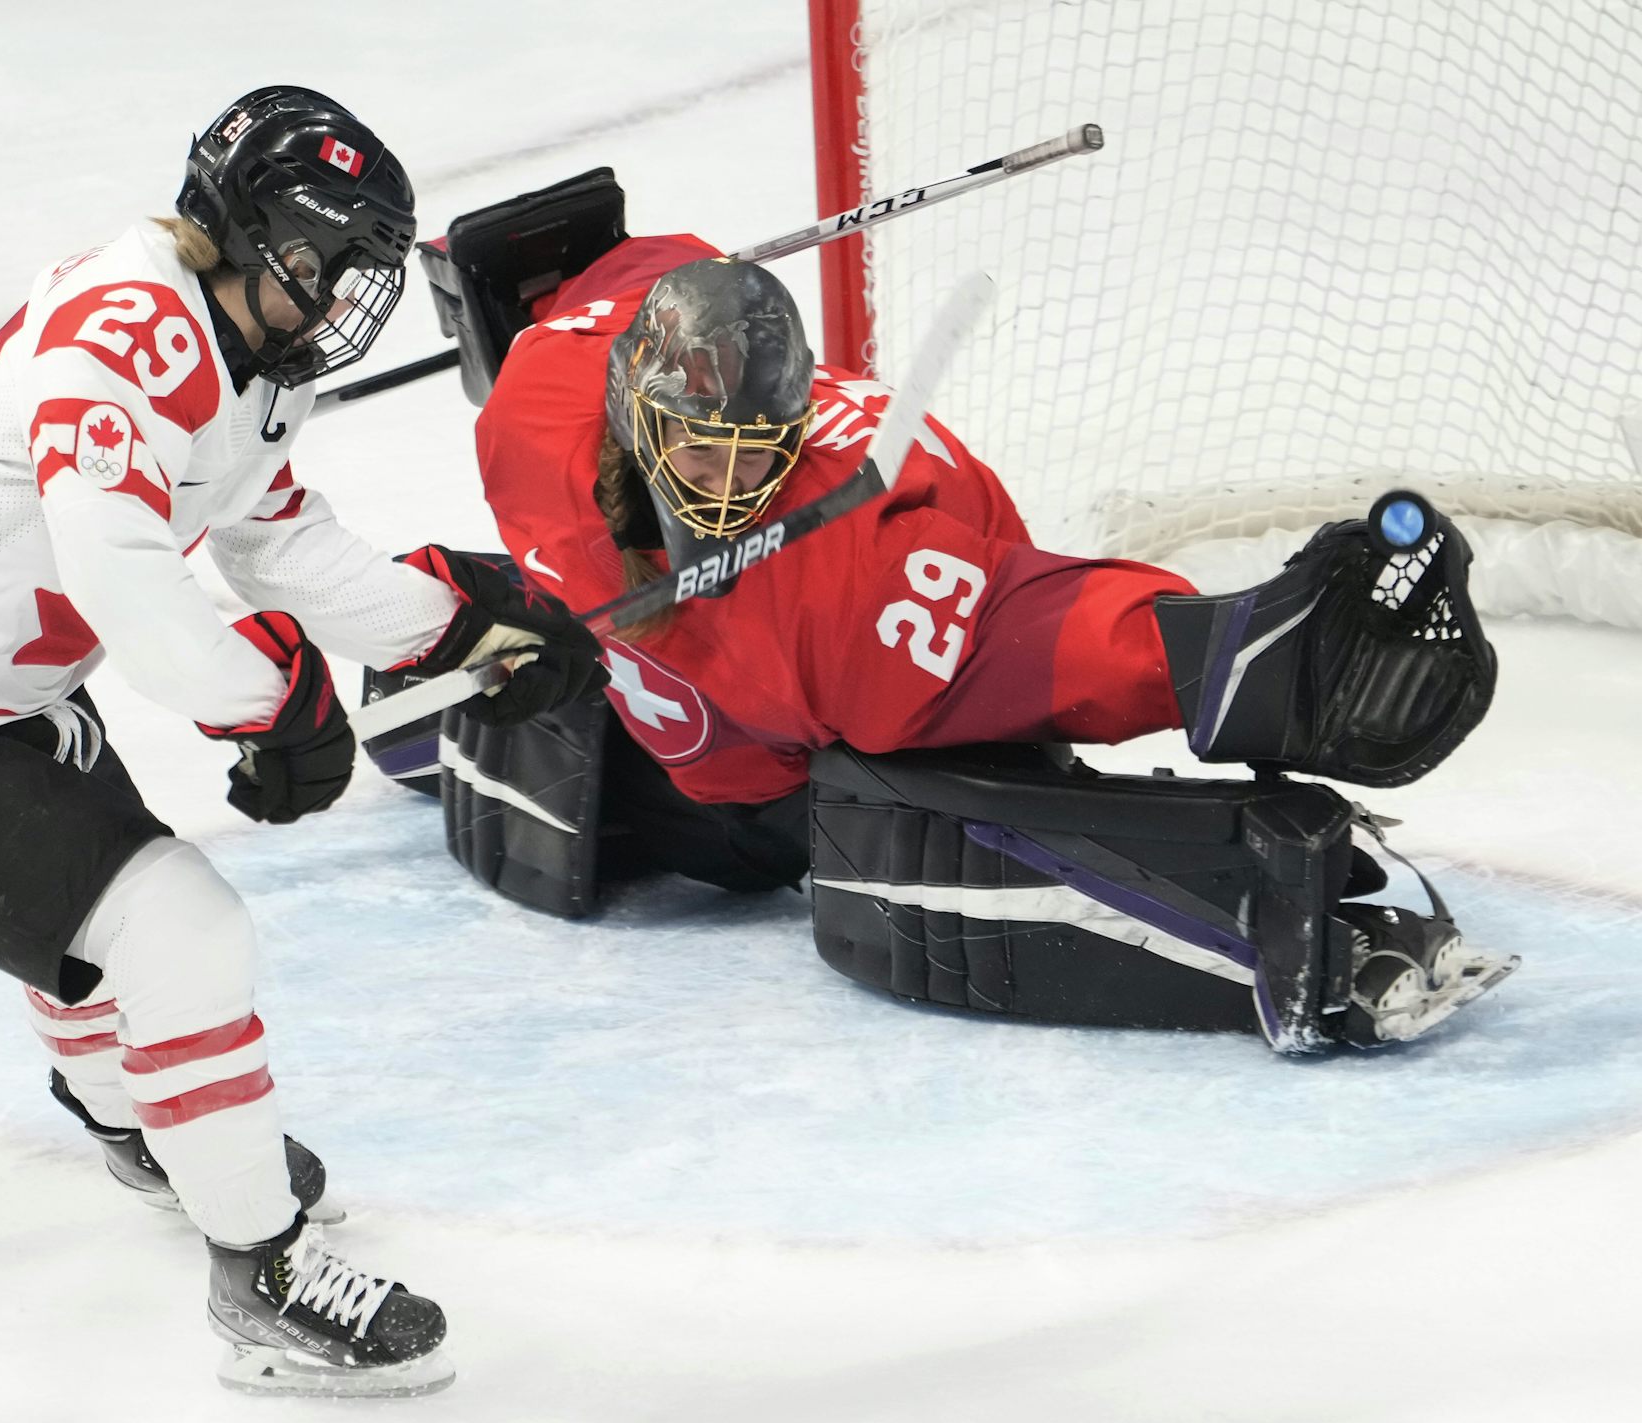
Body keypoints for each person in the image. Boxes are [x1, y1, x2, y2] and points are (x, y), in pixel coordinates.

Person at [0, 87, 603, 1398]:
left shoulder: (251, 357)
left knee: (95, 918)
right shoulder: (126, 332)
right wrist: (269, 704)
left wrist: (460, 629)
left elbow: (280, 546)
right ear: (242, 232)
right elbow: (126, 586)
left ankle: (146, 1128)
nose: (336, 301)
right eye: (319, 263)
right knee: (177, 931)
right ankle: (264, 1280)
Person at [396, 185, 1510, 1057]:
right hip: (731, 704)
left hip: (828, 649)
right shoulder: (537, 409)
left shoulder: (821, 584)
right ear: (636, 410)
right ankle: (422, 644)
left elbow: (1023, 623)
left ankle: (1239, 658)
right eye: (696, 452)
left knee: (885, 753)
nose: (726, 487)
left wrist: (1188, 652)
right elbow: (632, 273)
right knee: (743, 780)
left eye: (755, 455)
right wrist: (482, 284)